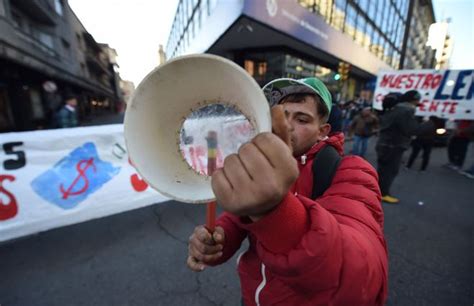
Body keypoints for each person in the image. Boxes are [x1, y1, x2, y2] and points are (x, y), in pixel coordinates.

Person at [187, 77, 388, 306]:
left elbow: (361, 276)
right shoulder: (260, 164)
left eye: (302, 119)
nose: (287, 125)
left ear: (323, 131)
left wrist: (275, 212)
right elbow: (237, 219)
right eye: (280, 115)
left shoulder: (351, 170)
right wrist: (215, 241)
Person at [376, 90, 420, 204]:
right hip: (393, 145)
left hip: (386, 144)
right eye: (416, 102)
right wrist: (429, 125)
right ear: (412, 100)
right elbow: (411, 129)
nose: (417, 105)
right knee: (389, 170)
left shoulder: (394, 110)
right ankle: (383, 193)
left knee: (383, 170)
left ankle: (377, 191)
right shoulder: (404, 111)